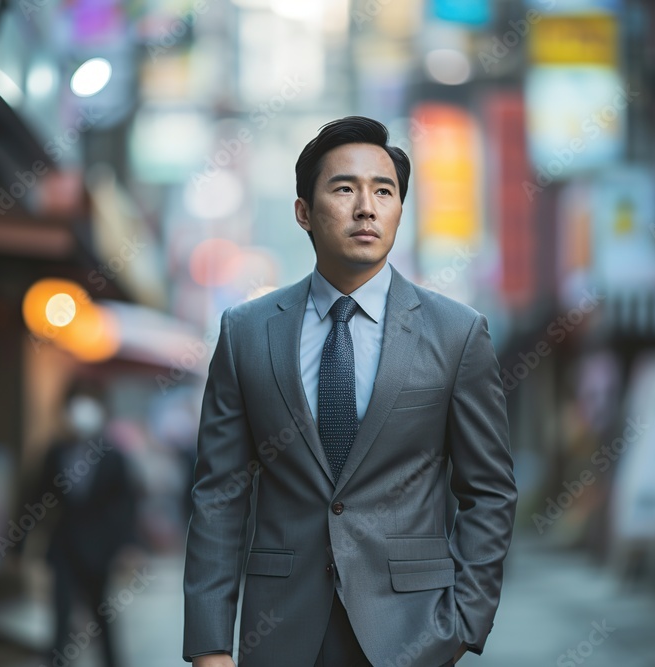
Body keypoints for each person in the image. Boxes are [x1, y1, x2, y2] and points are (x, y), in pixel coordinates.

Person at [182, 116, 517, 667]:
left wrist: (463, 622)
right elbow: (218, 495)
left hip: (413, 635)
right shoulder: (247, 333)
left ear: (399, 211)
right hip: (282, 632)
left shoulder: (457, 333)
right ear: (303, 212)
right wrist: (210, 644)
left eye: (383, 191)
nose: (367, 207)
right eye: (344, 189)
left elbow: (489, 492)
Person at [38, 381, 138, 667]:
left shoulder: (114, 456)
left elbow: (127, 504)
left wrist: (126, 545)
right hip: (64, 548)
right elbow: (36, 497)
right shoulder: (55, 452)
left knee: (101, 616)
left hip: (99, 551)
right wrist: (17, 543)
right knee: (60, 615)